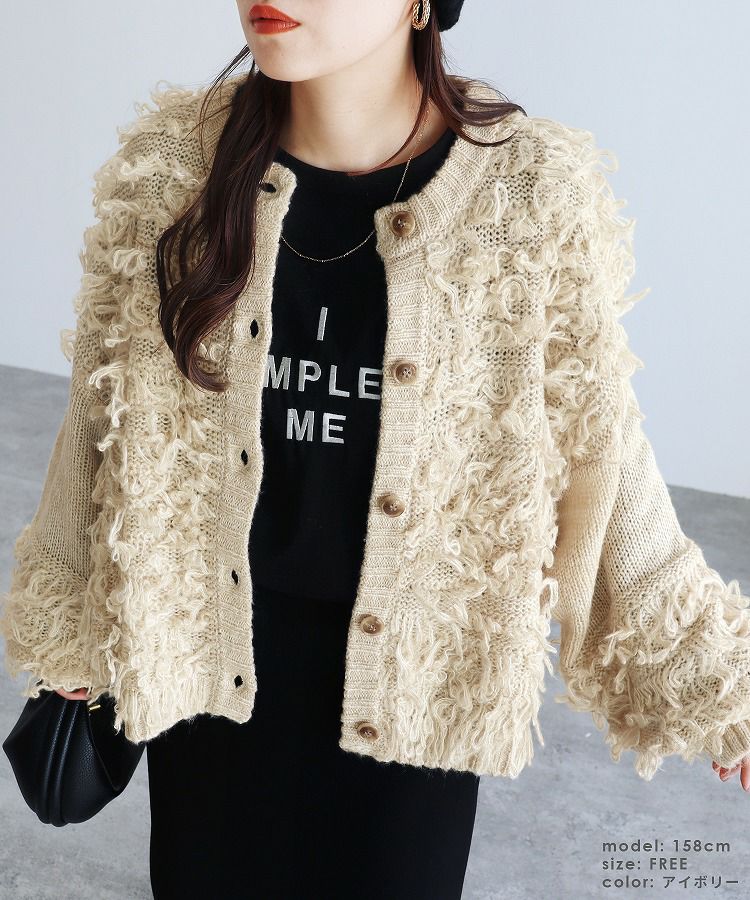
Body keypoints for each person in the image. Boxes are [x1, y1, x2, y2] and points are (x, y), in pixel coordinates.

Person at [4, 1, 750, 898]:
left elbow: (603, 459)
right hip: (208, 685)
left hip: (411, 706)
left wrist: (721, 684)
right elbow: (102, 418)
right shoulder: (174, 165)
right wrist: (70, 628)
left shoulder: (526, 196)